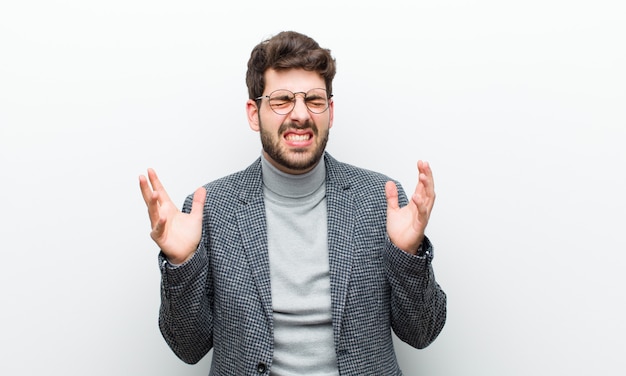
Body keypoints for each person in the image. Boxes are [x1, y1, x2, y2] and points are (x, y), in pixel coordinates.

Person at [139, 30, 446, 376]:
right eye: (282, 100)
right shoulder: (210, 209)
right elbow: (188, 348)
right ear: (254, 114)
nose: (300, 114)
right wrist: (182, 264)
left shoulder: (380, 199)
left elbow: (422, 333)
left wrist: (408, 256)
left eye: (313, 100)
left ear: (330, 110)